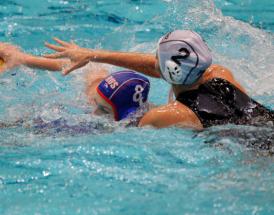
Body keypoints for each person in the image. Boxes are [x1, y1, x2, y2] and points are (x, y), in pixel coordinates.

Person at [37, 30, 274, 129]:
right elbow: (160, 67)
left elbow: (109, 126)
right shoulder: (222, 75)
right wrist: (92, 55)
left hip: (256, 159)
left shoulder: (168, 115)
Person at [0, 43, 152, 127]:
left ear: (126, 114)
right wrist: (24, 59)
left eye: (105, 110)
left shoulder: (142, 122)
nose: (95, 114)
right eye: (96, 103)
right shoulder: (97, 91)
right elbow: (87, 66)